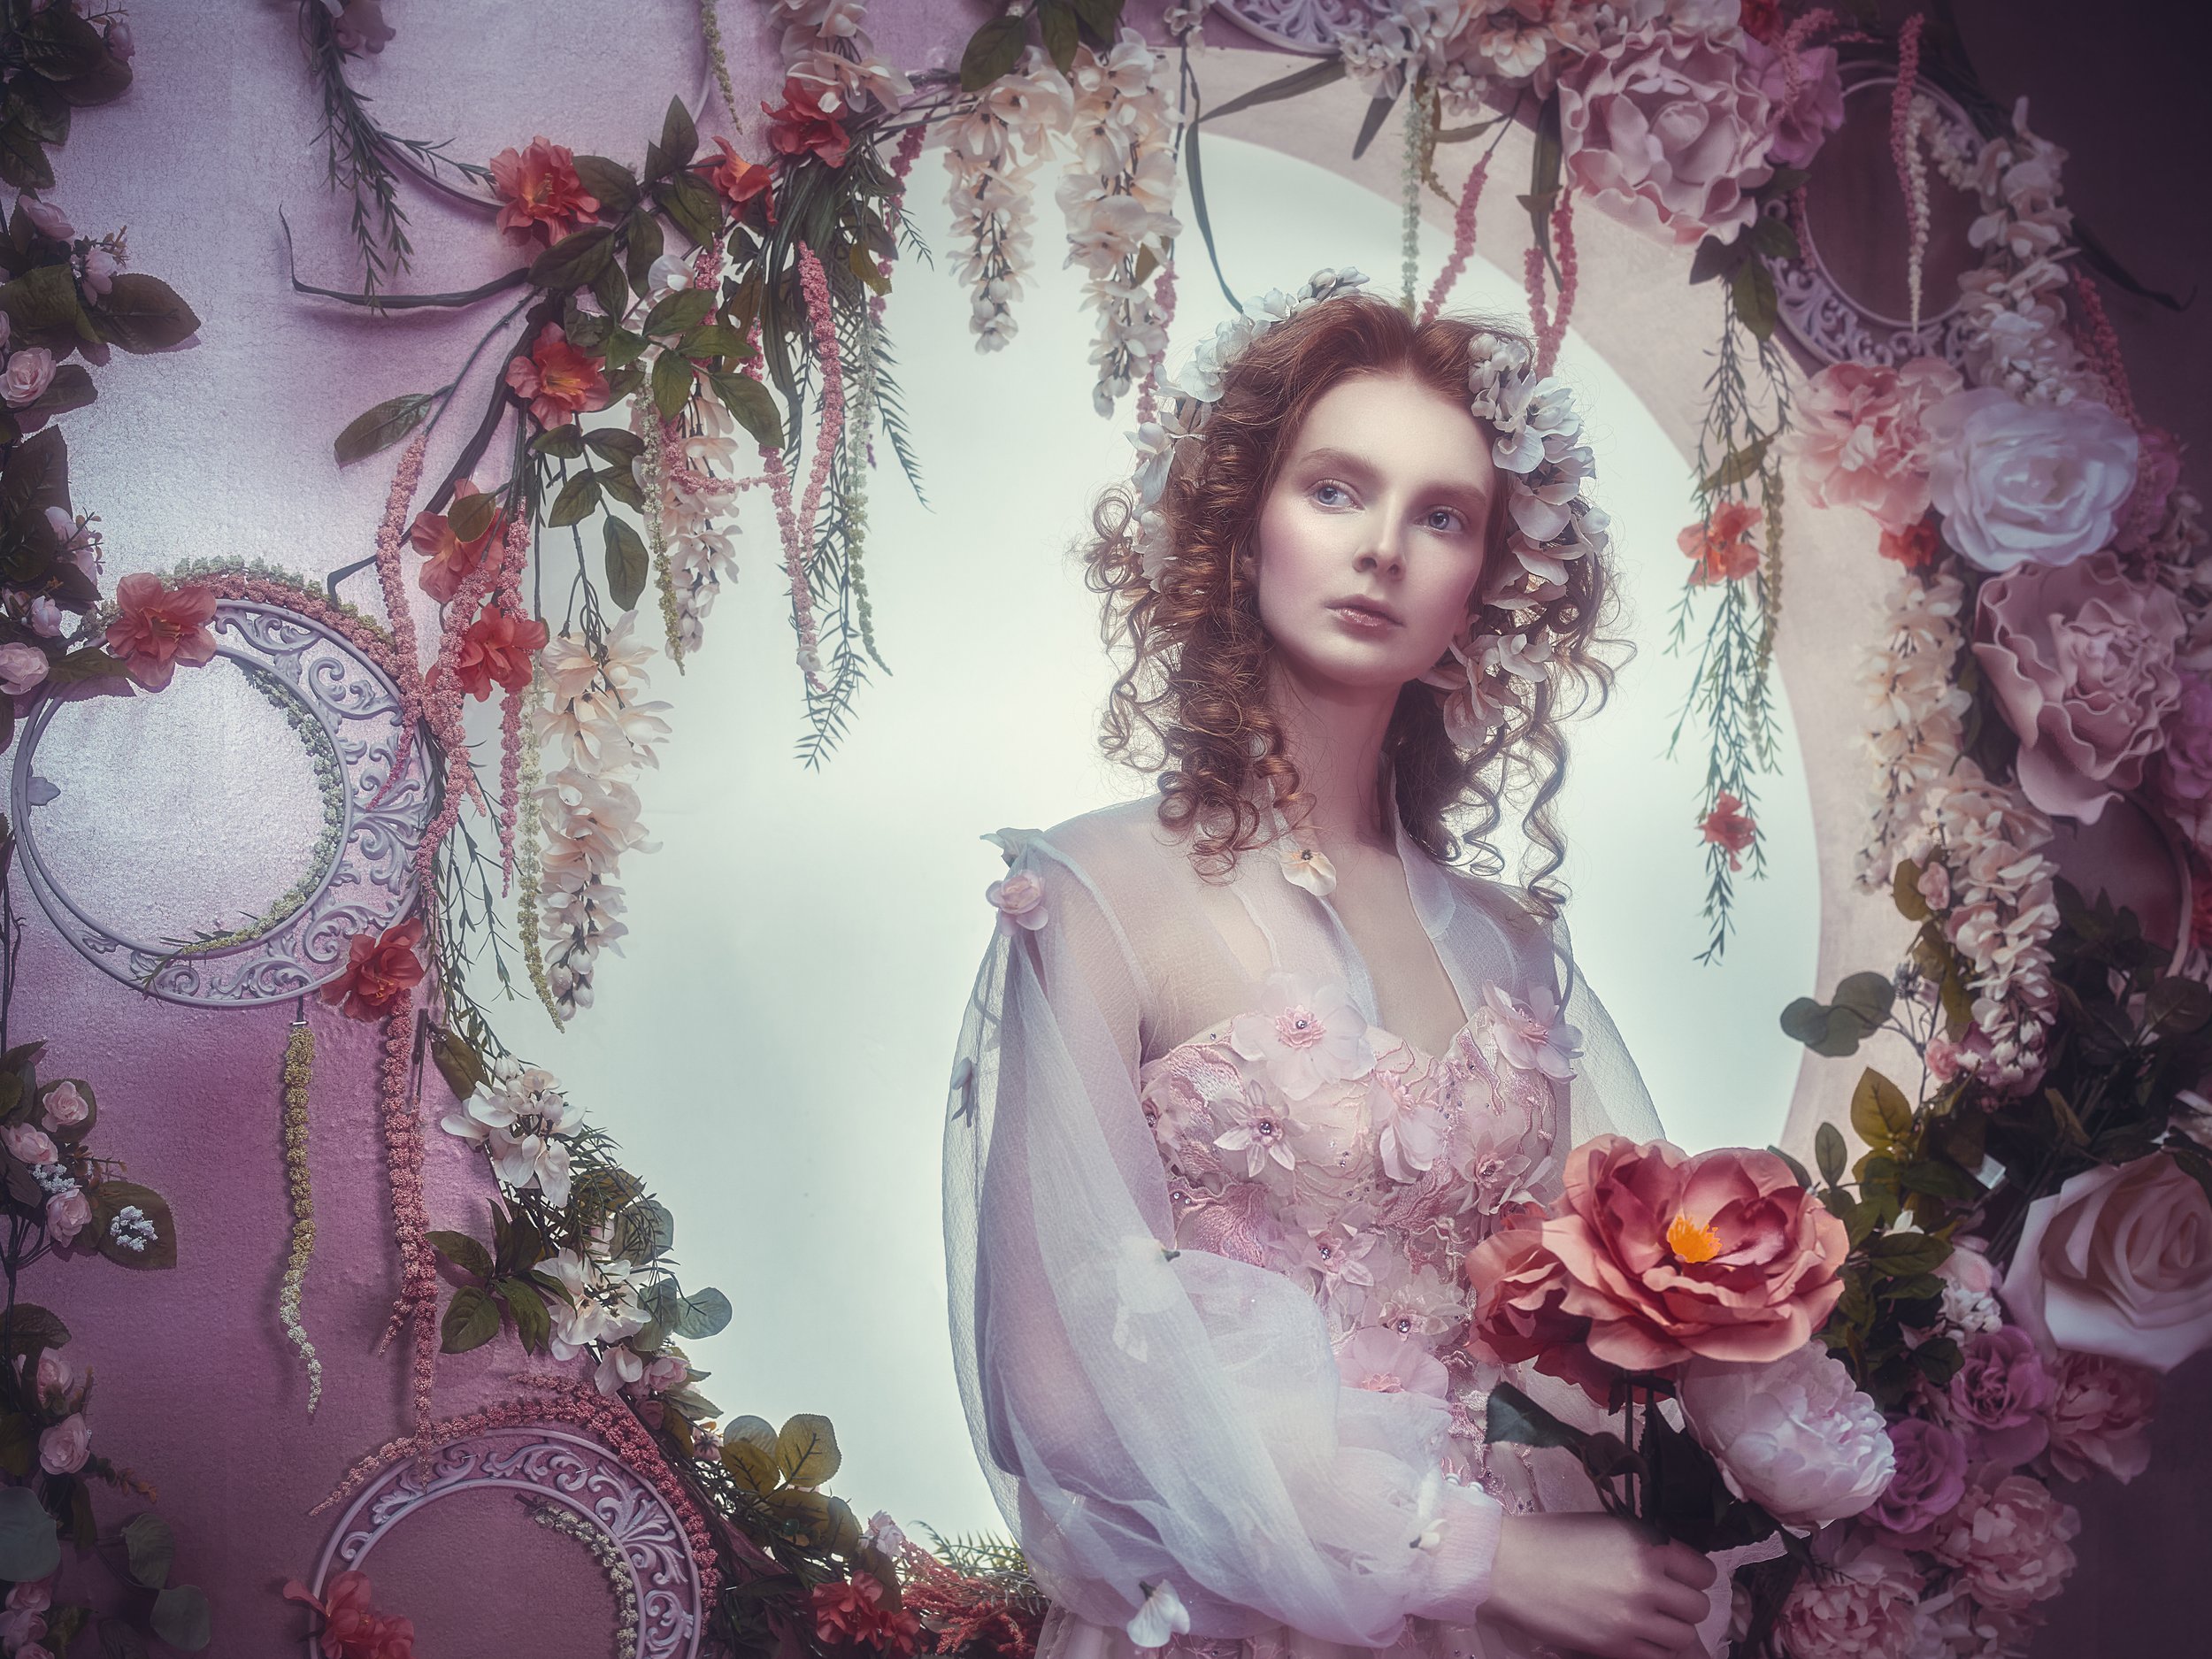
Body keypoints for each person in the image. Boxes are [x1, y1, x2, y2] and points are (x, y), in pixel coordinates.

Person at [942, 273, 1724, 1659]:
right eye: (1335, 491)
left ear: (1480, 589)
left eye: (1441, 518)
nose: (1383, 550)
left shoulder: (1514, 940)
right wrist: (1475, 1559)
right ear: (1243, 525)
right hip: (1251, 1616)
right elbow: (1064, 1395)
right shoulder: (1097, 890)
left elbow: (1591, 1320)